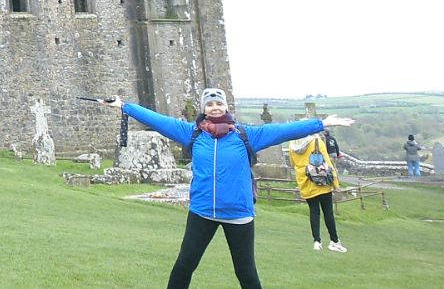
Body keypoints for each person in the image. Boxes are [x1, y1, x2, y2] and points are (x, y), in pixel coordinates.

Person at [101, 88, 354, 289]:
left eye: (218, 103)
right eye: (210, 104)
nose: (215, 107)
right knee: (184, 266)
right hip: (202, 212)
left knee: (246, 273)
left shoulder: (245, 135)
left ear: (226, 107)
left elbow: (283, 131)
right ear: (204, 109)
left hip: (238, 214)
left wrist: (321, 123)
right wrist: (124, 106)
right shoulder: (192, 133)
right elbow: (157, 120)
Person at [287, 129, 345, 252]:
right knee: (328, 212)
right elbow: (328, 162)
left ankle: (317, 241)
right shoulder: (317, 141)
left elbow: (292, 163)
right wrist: (335, 183)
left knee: (314, 212)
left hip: (305, 182)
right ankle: (334, 241)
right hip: (321, 180)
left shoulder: (292, 145)